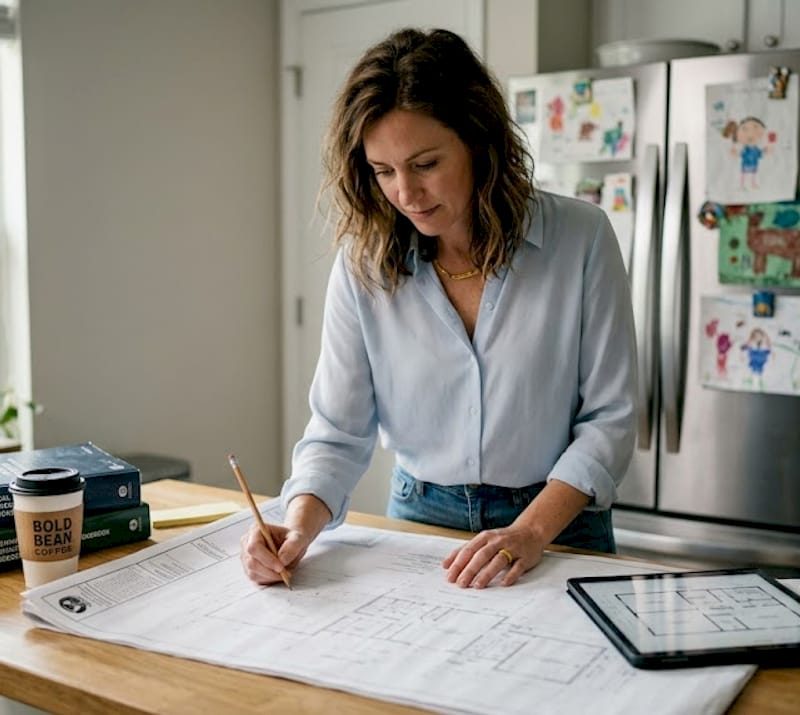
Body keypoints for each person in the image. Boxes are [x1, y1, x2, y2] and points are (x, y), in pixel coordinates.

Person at [241, 28, 637, 590]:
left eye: (425, 163)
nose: (406, 193)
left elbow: (610, 420)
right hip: (423, 522)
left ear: (478, 141)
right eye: (382, 171)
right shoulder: (364, 265)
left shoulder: (581, 237)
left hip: (559, 525)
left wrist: (529, 532)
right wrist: (296, 527)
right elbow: (337, 432)